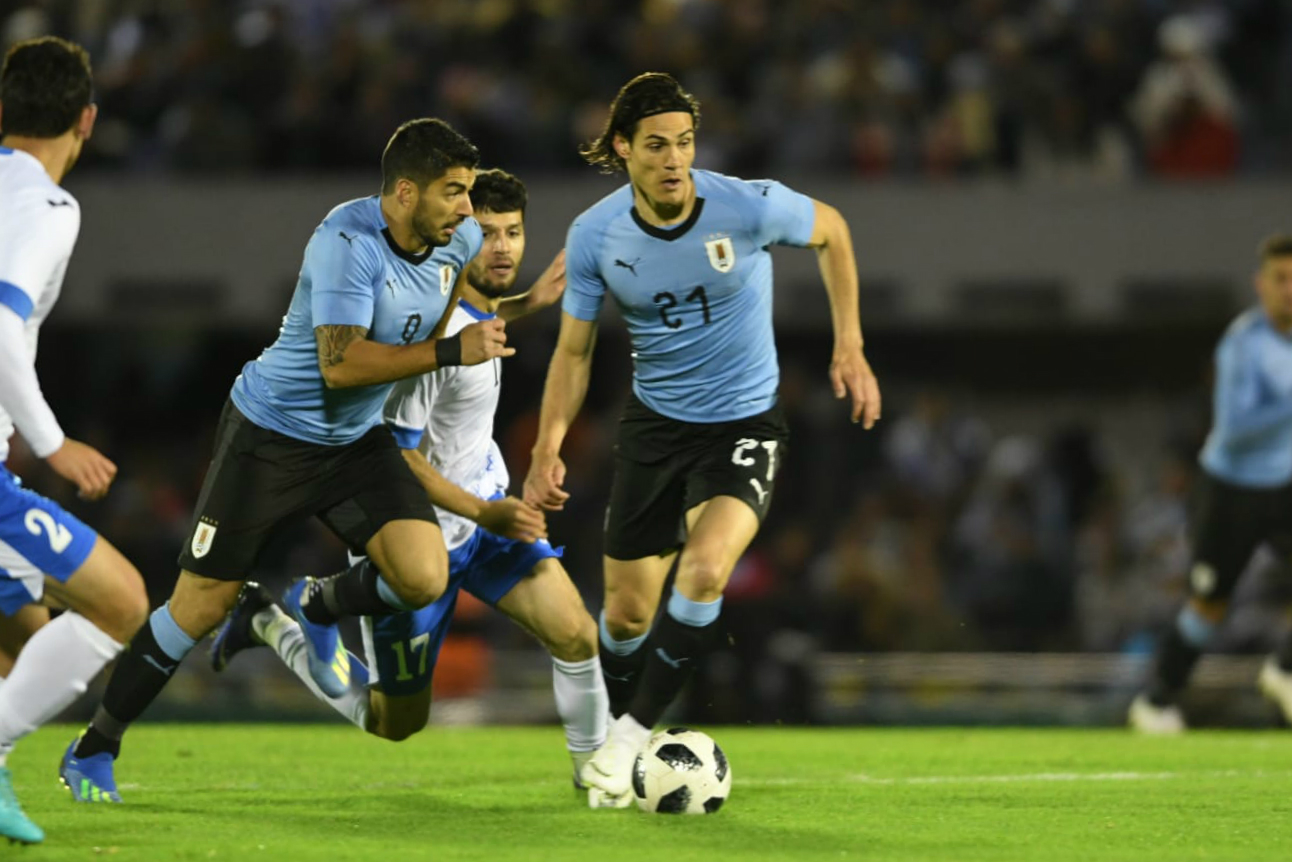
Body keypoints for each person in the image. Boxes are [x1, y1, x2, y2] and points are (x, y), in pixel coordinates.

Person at [61, 118, 512, 802]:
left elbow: (434, 321)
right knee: (196, 609)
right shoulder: (345, 240)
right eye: (452, 192)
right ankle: (94, 746)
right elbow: (340, 365)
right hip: (271, 436)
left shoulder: (463, 241)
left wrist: (473, 333)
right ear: (402, 193)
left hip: (355, 443)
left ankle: (315, 604)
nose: (465, 208)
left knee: (423, 575)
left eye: (468, 192)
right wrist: (453, 352)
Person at [522, 72, 882, 806]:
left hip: (744, 426)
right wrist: (547, 444)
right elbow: (575, 352)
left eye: (684, 143)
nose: (674, 159)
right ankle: (608, 747)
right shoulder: (596, 234)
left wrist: (850, 344)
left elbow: (833, 230)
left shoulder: (746, 205)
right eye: (656, 146)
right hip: (655, 430)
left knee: (706, 571)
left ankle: (626, 742)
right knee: (624, 615)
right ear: (624, 149)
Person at [209, 169, 608, 782]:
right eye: (488, 234)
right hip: (417, 541)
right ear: (460, 238)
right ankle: (275, 621)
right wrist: (485, 513)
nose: (503, 248)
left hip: (482, 517)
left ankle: (597, 777)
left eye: (515, 233)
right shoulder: (436, 340)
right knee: (393, 723)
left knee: (577, 634)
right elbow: (397, 456)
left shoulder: (474, 310)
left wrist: (530, 303)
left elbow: (480, 317)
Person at [0, 37, 150, 844]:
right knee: (121, 602)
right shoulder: (49, 207)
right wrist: (52, 441)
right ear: (86, 120)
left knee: (23, 636)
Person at [1130, 234, 1292, 733]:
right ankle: (1156, 701)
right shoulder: (1243, 343)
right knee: (1209, 603)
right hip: (1231, 489)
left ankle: (1284, 668)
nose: (1289, 290)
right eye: (1280, 279)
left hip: (1286, 485)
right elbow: (1237, 426)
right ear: (1259, 284)